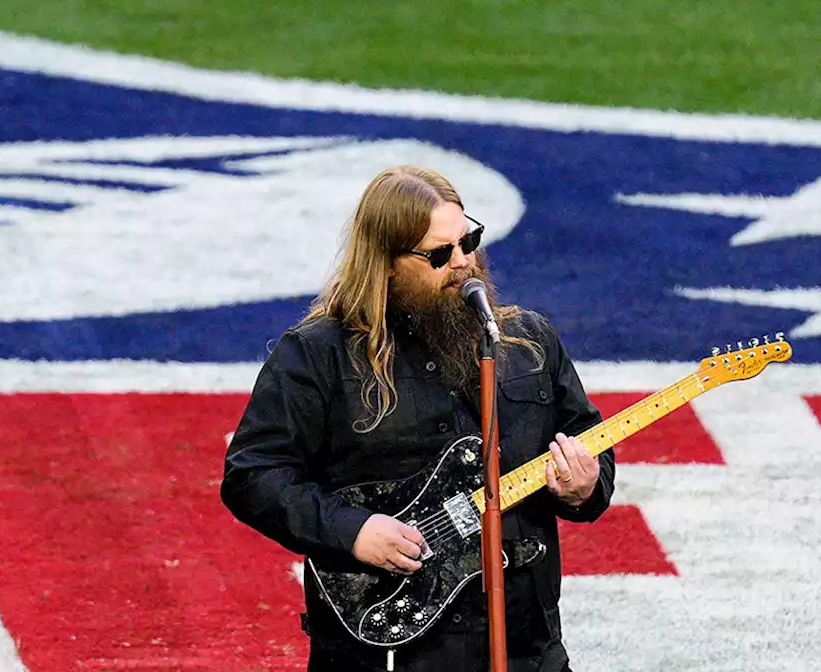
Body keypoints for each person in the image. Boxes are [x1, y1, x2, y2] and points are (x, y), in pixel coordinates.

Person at [221, 165, 616, 672]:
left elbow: (588, 441)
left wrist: (585, 485)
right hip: (388, 651)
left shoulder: (528, 342)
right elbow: (253, 473)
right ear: (385, 263)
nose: (463, 263)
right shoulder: (319, 356)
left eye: (468, 240)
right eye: (439, 254)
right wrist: (351, 531)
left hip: (526, 644)